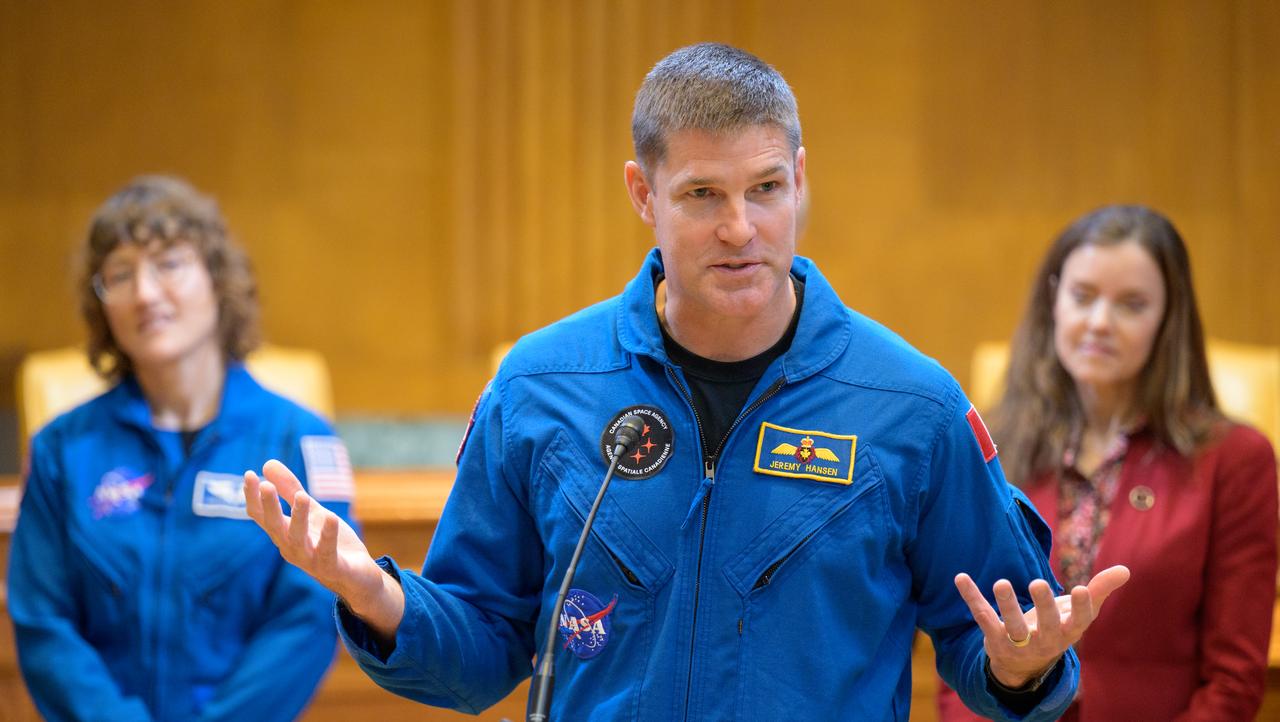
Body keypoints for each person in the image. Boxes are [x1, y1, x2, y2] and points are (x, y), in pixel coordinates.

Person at [244, 44, 1128, 721]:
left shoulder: (913, 407)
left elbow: (1001, 645)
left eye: (767, 188)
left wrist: (1024, 668)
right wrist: (376, 596)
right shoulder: (541, 385)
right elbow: (484, 645)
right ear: (643, 192)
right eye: (703, 195)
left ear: (801, 178)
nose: (741, 228)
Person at [8, 175, 357, 721]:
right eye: (119, 275)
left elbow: (309, 614)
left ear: (216, 280)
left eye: (169, 263)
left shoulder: (299, 440)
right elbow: (42, 620)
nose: (145, 293)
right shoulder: (62, 450)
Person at [937, 205, 1278, 721]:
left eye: (1132, 304)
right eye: (1083, 296)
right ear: (1054, 300)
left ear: (1168, 320)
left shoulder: (1234, 460)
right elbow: (960, 642)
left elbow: (1233, 681)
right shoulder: (991, 446)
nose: (1099, 322)